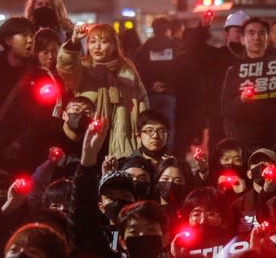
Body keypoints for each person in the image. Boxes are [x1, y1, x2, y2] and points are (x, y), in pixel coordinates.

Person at [0, 17, 61, 174]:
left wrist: (21, 143)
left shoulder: (42, 76)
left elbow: (48, 116)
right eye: (24, 35)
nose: (29, 40)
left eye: (32, 36)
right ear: (8, 40)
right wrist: (2, 143)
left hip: (32, 158)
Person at [57, 23, 149, 159]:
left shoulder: (128, 73)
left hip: (122, 140)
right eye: (92, 42)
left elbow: (142, 102)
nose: (97, 47)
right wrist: (74, 42)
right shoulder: (83, 70)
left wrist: (144, 131)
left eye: (104, 42)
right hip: (88, 137)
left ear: (114, 46)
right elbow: (66, 67)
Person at [220, 18, 276, 157]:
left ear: (267, 39)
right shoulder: (234, 70)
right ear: (242, 39)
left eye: (261, 33)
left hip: (272, 142)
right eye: (251, 33)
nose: (257, 37)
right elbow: (226, 109)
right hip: (243, 142)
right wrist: (241, 100)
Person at [185, 9, 248, 151]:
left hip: (248, 116)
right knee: (218, 153)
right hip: (219, 116)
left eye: (246, 31)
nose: (241, 34)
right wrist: (202, 27)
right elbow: (192, 49)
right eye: (237, 30)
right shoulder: (216, 56)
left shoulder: (255, 58)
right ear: (226, 34)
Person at [134, 17, 179, 151]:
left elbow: (139, 70)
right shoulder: (175, 46)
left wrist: (151, 84)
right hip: (169, 94)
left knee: (150, 125)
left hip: (151, 94)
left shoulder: (146, 47)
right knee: (168, 126)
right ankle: (166, 154)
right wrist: (168, 85)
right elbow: (181, 69)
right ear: (168, 29)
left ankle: (151, 152)